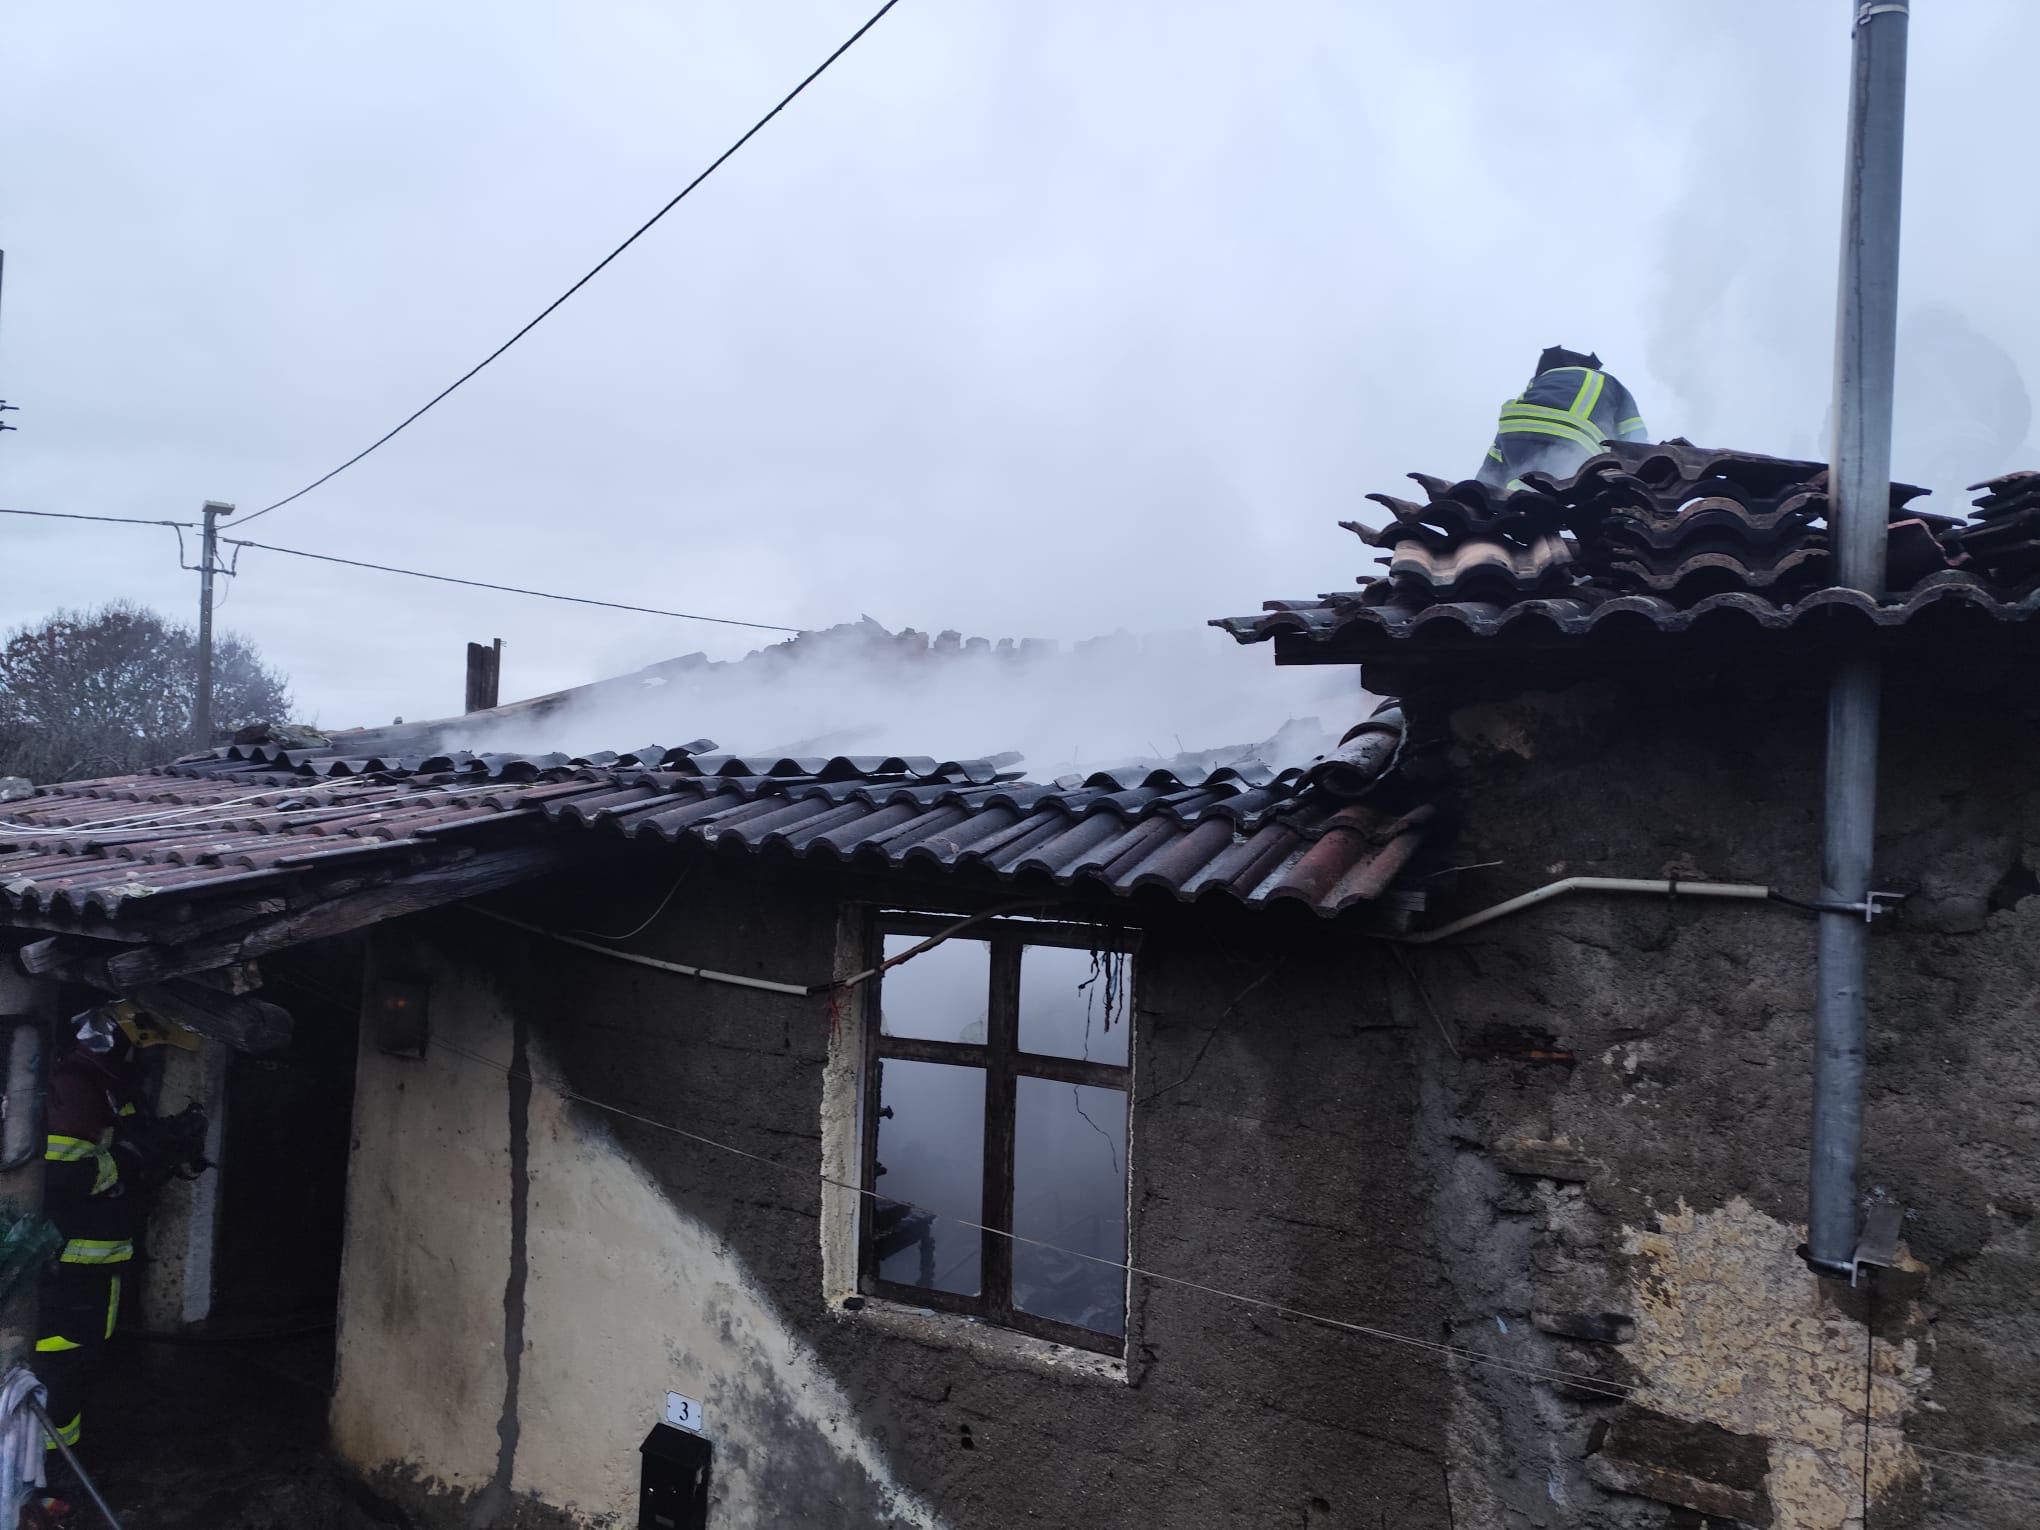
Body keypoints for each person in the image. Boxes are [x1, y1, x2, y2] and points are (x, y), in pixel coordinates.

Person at [1476, 346, 1648, 494]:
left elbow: (1495, 457)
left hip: (1516, 432)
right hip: (1571, 439)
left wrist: (1478, 493)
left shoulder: (1540, 381)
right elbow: (1634, 434)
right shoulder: (1608, 381)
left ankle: (1519, 500)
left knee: (1523, 478)